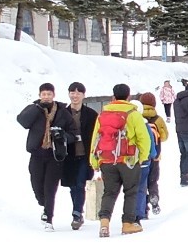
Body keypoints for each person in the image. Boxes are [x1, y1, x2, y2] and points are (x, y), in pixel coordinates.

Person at [89, 82, 152, 237]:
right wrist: (143, 157)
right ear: (128, 97)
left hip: (107, 159)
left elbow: (95, 138)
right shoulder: (133, 113)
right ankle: (127, 224)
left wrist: (94, 160)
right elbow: (144, 139)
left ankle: (104, 224)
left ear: (113, 97)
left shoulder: (103, 114)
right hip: (128, 160)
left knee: (109, 192)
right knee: (131, 191)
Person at [16, 82, 65, 228]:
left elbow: (71, 130)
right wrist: (37, 108)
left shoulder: (61, 110)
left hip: (54, 155)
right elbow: (23, 122)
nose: (46, 97)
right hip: (37, 153)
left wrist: (61, 136)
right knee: (37, 184)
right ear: (39, 95)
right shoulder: (34, 108)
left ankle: (48, 216)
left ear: (54, 95)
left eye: (49, 94)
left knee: (50, 186)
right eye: (43, 94)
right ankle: (43, 202)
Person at [58, 82, 92, 229]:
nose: (75, 95)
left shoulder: (91, 114)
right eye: (72, 92)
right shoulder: (62, 113)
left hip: (85, 155)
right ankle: (77, 210)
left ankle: (76, 213)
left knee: (80, 183)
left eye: (78, 92)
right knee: (72, 185)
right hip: (68, 155)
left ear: (84, 95)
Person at [136, 91, 170, 222]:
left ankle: (143, 209)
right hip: (155, 157)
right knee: (153, 180)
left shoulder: (137, 117)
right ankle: (154, 195)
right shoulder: (158, 119)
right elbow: (165, 137)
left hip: (141, 157)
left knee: (141, 182)